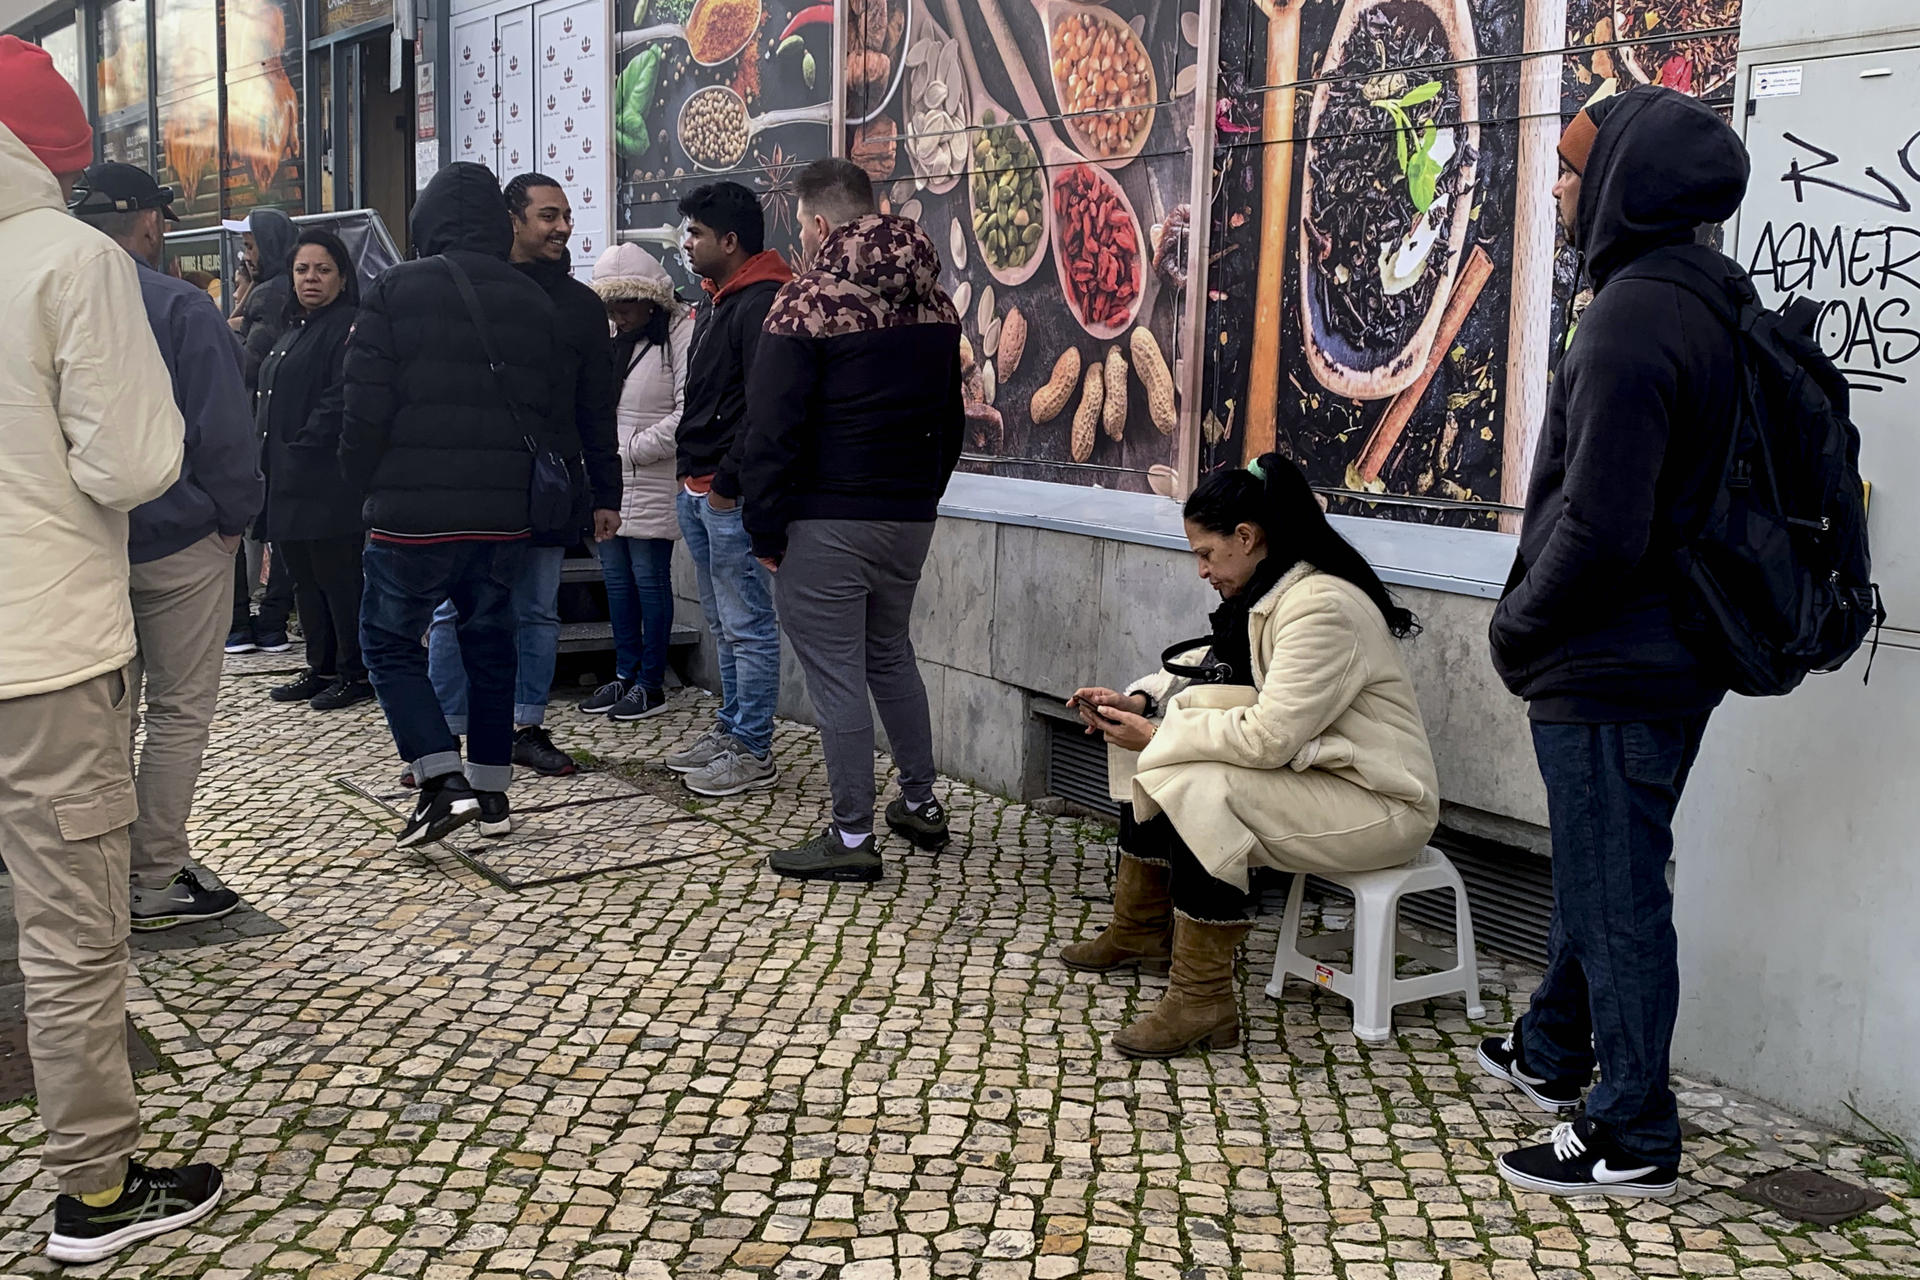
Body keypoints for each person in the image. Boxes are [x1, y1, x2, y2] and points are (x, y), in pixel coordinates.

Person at [1482, 86, 1749, 1201]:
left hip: (1609, 661)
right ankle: (1552, 1047)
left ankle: (1632, 1125)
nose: (1555, 187)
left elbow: (1601, 524)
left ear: (1626, 182)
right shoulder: (1710, 297)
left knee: (1618, 889)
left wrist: (1514, 623)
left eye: (1572, 168)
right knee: (1606, 870)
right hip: (1670, 656)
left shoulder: (1634, 316)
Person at [0, 41, 223, 1263]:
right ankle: (94, 1190)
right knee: (69, 928)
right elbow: (135, 463)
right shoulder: (72, 262)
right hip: (40, 650)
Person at [1062, 455, 1439, 1059]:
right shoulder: (1271, 590)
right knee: (1165, 762)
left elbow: (1268, 737)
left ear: (1246, 536)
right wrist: (1141, 705)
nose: (1202, 570)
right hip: (1325, 775)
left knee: (1203, 787)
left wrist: (1159, 736)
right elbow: (1213, 675)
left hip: (1384, 800)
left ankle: (1202, 998)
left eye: (1206, 554)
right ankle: (1140, 933)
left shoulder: (1319, 607)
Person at [740, 159, 964, 882]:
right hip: (908, 515)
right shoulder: (938, 306)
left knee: (837, 676)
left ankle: (849, 837)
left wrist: (764, 531)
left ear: (816, 223)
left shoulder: (803, 304)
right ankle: (921, 803)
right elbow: (951, 422)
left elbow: (771, 432)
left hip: (826, 517)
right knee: (890, 654)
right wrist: (922, 495)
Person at [342, 162, 566, 847]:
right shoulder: (533, 299)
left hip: (413, 515)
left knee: (386, 640)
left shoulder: (394, 289)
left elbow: (364, 407)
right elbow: (549, 408)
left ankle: (441, 781)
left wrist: (363, 486)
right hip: (501, 517)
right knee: (491, 644)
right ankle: (493, 795)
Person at [69, 161, 262, 934]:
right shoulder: (179, 305)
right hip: (181, 536)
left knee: (104, 713)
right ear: (149, 223)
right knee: (179, 712)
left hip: (86, 540)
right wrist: (233, 517)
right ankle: (153, 878)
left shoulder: (43, 295)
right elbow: (222, 426)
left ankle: (97, 874)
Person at [425, 173, 621, 778]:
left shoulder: (582, 306)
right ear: (512, 220)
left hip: (549, 486)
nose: (562, 227)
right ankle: (442, 738)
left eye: (566, 215)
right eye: (547, 216)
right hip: (471, 483)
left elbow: (596, 406)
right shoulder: (470, 290)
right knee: (451, 612)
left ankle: (525, 724)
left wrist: (606, 491)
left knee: (537, 611)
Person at [669, 181, 793, 796]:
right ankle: (730, 726)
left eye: (694, 233)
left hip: (728, 492)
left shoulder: (764, 302)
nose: (686, 244)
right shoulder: (719, 299)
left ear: (730, 240)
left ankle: (753, 746)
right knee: (722, 622)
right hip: (698, 486)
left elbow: (764, 409)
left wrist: (724, 486)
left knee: (747, 624)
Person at [257, 229, 372, 712]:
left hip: (323, 479)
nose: (311, 278)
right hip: (284, 479)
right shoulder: (294, 327)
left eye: (322, 270)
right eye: (302, 269)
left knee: (338, 579)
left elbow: (340, 398)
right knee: (304, 579)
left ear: (342, 278)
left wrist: (302, 448)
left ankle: (354, 671)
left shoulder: (347, 326)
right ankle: (320, 665)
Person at [583, 242, 693, 722]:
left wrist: (628, 451)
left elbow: (685, 413)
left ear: (650, 299)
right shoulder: (608, 336)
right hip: (608, 481)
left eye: (625, 304)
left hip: (649, 478)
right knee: (616, 583)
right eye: (610, 305)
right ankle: (623, 673)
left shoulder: (679, 334)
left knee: (649, 581)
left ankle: (651, 682)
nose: (618, 315)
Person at [224, 205, 300, 656]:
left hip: (258, 427)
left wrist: (227, 330)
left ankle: (254, 621)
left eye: (250, 245)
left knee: (255, 522)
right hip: (258, 425)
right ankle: (262, 619)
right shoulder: (263, 289)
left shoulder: (270, 294)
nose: (245, 255)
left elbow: (252, 362)